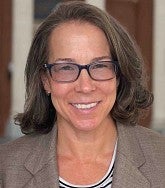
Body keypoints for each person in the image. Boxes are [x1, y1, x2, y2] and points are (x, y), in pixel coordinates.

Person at [0, 1, 165, 188]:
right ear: (45, 80)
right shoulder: (5, 169)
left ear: (119, 75)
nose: (85, 87)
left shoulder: (161, 161)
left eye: (100, 66)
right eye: (66, 68)